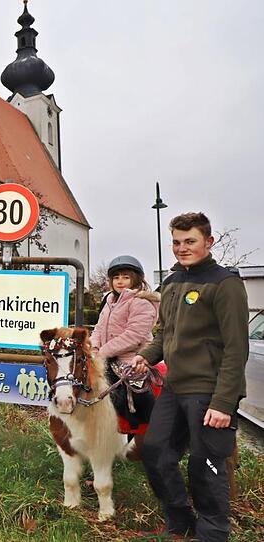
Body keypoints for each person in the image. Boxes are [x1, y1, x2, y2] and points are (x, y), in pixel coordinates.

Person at [130, 212, 248, 542]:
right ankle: (181, 522)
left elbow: (236, 349)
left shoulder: (225, 284)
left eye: (190, 241)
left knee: (205, 465)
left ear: (208, 242)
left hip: (210, 392)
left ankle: (212, 533)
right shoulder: (170, 283)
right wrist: (145, 356)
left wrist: (224, 403)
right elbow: (165, 334)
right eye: (177, 242)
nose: (182, 248)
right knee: (154, 452)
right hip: (173, 389)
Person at [90, 255, 160, 431]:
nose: (120, 281)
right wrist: (93, 347)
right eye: (116, 277)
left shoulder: (142, 301)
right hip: (106, 358)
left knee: (135, 396)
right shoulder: (109, 300)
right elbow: (99, 328)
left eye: (125, 277)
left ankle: (149, 428)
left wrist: (103, 352)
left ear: (136, 279)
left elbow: (134, 335)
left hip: (133, 359)